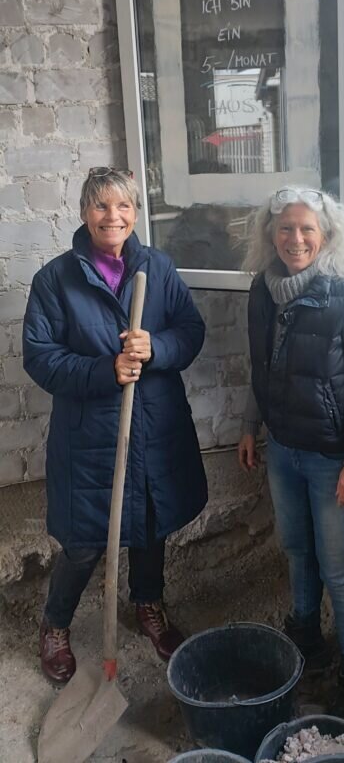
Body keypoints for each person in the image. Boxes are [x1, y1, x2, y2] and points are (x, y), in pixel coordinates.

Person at [23, 166, 207, 684]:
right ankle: (55, 623)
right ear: (84, 212)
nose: (113, 216)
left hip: (154, 425)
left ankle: (148, 604)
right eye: (101, 205)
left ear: (136, 213)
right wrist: (104, 370)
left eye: (123, 205)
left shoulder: (158, 268)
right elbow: (40, 358)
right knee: (84, 541)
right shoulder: (55, 280)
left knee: (151, 525)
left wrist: (156, 347)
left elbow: (190, 331)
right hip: (90, 438)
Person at [238, 186, 344, 723]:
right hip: (283, 451)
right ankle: (308, 645)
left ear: (326, 236)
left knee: (340, 572)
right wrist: (250, 425)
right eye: (285, 228)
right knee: (298, 551)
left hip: (334, 462)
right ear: (270, 235)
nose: (295, 239)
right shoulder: (264, 291)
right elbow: (261, 366)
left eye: (307, 229)